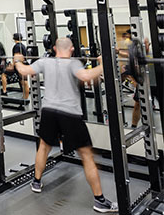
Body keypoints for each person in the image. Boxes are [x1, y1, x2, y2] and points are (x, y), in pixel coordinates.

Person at [14, 38, 117, 213]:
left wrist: (17, 60)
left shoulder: (45, 61)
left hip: (49, 111)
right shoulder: (73, 63)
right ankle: (99, 200)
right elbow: (85, 76)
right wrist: (105, 64)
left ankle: (36, 182)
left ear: (54, 48)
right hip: (69, 113)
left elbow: (24, 70)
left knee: (44, 147)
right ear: (72, 49)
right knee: (86, 154)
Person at [3, 33, 30, 99]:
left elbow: (16, 57)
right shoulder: (23, 46)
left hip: (19, 66)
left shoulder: (17, 46)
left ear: (14, 38)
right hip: (23, 65)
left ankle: (4, 91)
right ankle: (25, 98)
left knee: (4, 74)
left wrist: (13, 66)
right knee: (23, 81)